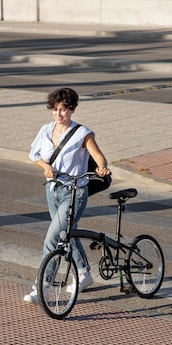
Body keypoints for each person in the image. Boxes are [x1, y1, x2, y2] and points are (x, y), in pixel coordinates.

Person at [24, 87, 111, 304]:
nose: (59, 114)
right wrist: (45, 167)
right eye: (55, 109)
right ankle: (84, 273)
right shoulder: (45, 130)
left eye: (63, 109)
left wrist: (102, 168)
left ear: (72, 109)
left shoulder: (83, 133)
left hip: (75, 192)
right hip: (52, 189)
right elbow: (35, 155)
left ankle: (41, 286)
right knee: (67, 233)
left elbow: (99, 158)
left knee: (53, 237)